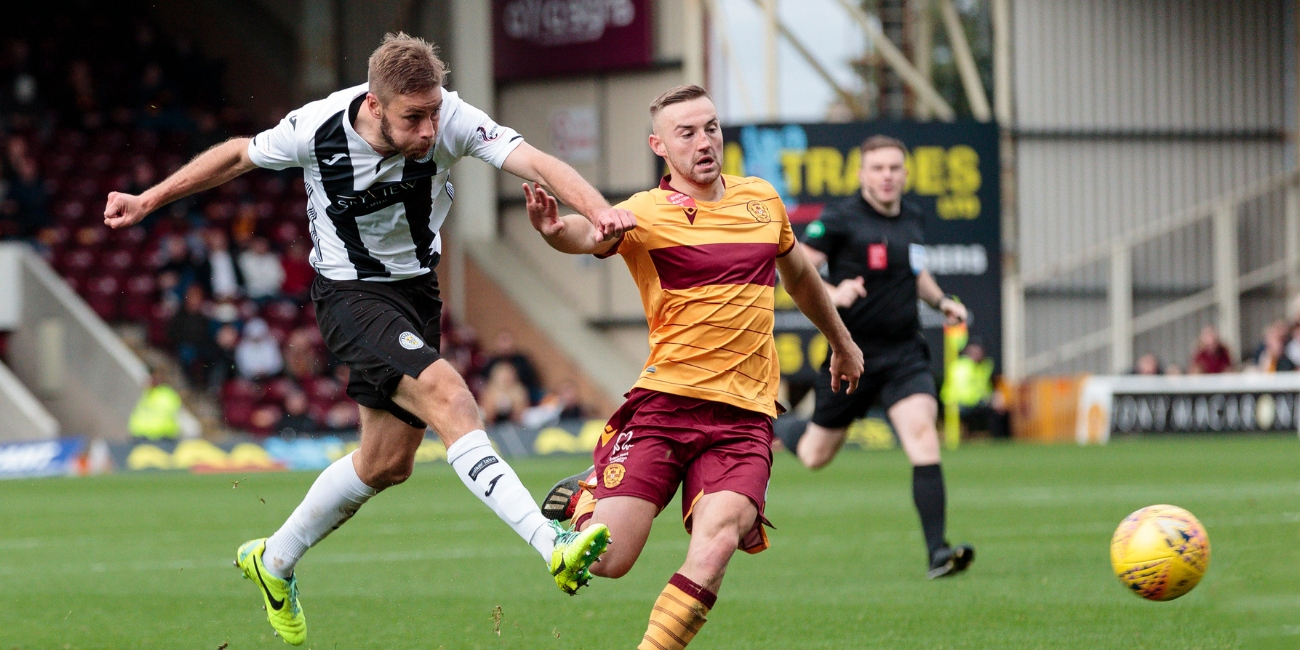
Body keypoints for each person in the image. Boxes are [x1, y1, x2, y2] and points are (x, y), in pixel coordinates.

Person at [103, 32, 632, 645]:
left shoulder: (451, 118)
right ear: (375, 106)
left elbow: (536, 162)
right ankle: (553, 545)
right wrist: (151, 199)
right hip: (351, 295)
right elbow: (237, 156)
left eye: (434, 112)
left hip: (417, 292)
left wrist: (598, 209)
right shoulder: (317, 128)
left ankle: (272, 561)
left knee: (386, 465)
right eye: (415, 117)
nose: (431, 129)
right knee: (452, 399)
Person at [526, 85, 863, 650]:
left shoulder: (762, 201)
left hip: (744, 418)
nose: (705, 141)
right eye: (687, 133)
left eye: (711, 127)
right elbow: (590, 234)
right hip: (665, 407)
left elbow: (800, 276)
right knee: (607, 562)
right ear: (660, 146)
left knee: (718, 543)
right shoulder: (645, 213)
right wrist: (557, 231)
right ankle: (588, 496)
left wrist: (842, 341)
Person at [773, 135, 975, 580]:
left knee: (923, 437)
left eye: (894, 168)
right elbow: (795, 270)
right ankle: (780, 426)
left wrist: (942, 302)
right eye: (878, 168)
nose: (887, 176)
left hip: (905, 353)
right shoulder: (841, 219)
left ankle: (937, 553)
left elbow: (918, 273)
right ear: (863, 174)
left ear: (905, 174)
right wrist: (834, 291)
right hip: (852, 355)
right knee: (814, 455)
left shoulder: (913, 218)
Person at [128, 367, 183, 441]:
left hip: (159, 438)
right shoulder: (148, 394)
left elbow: (163, 418)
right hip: (140, 436)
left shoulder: (166, 395)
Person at [477, 360, 529, 425]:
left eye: (508, 374)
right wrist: (495, 405)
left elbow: (523, 417)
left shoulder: (519, 391)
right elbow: (485, 417)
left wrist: (512, 405)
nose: (505, 377)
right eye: (502, 374)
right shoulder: (488, 391)